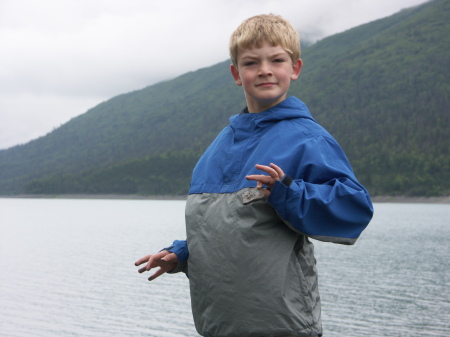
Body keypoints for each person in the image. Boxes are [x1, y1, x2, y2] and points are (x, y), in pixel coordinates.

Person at [135, 13, 373, 337]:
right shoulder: (217, 148)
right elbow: (230, 225)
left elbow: (355, 209)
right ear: (236, 73)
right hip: (217, 328)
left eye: (277, 59)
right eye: (251, 63)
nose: (264, 70)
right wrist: (184, 253)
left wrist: (289, 193)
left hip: (283, 329)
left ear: (295, 68)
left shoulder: (308, 139)